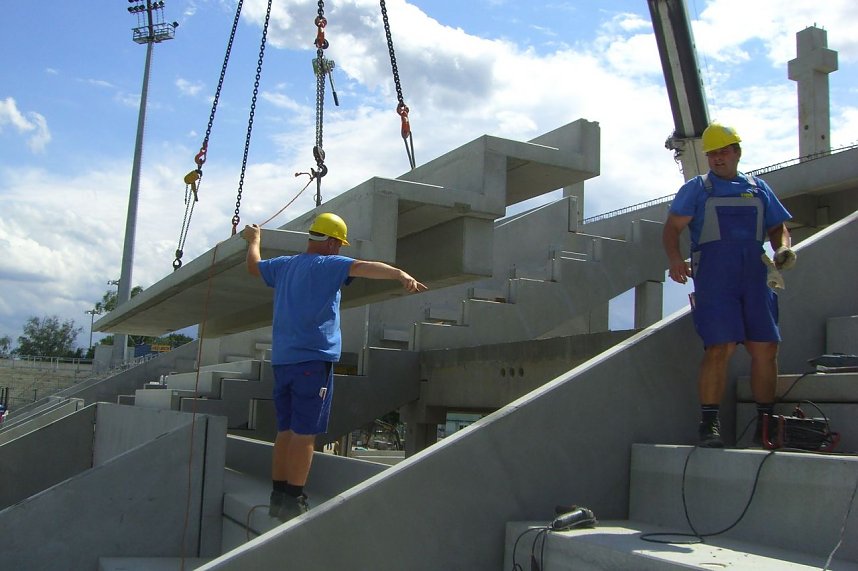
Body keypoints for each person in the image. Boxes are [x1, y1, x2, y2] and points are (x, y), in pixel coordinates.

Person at [242, 212, 427, 521]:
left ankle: (277, 496)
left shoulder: (285, 265)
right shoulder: (328, 265)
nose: (340, 250)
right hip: (312, 361)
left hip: (283, 361)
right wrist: (399, 274)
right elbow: (366, 268)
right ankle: (294, 500)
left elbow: (254, 267)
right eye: (338, 244)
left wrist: (255, 240)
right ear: (329, 243)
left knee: (285, 430)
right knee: (305, 434)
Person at [662, 123, 797, 448]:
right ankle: (709, 424)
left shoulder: (758, 187)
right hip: (715, 278)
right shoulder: (698, 189)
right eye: (712, 154)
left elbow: (778, 227)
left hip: (754, 274)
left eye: (723, 152)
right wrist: (675, 260)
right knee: (719, 347)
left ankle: (764, 424)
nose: (717, 158)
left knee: (766, 347)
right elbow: (672, 228)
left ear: (737, 152)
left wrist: (782, 248)